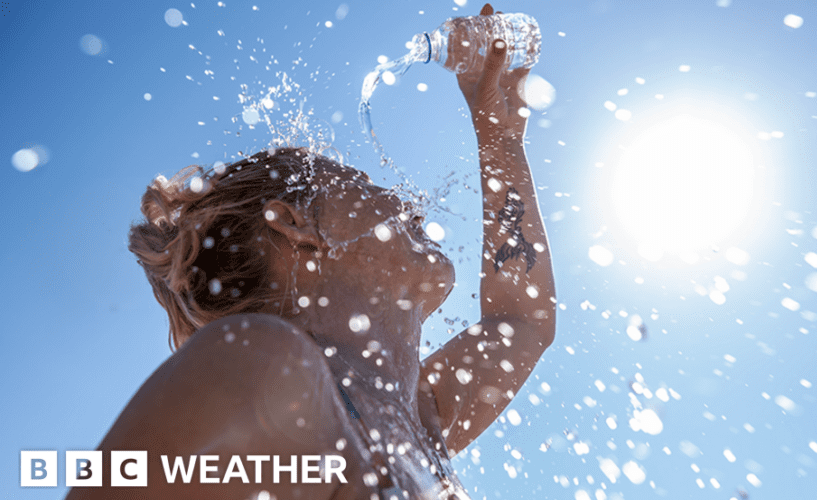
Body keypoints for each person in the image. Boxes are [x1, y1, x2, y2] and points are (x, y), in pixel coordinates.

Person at [66, 4, 555, 499]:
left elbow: (524, 320)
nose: (404, 201)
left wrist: (499, 134)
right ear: (298, 225)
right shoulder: (269, 373)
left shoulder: (418, 418)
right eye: (361, 183)